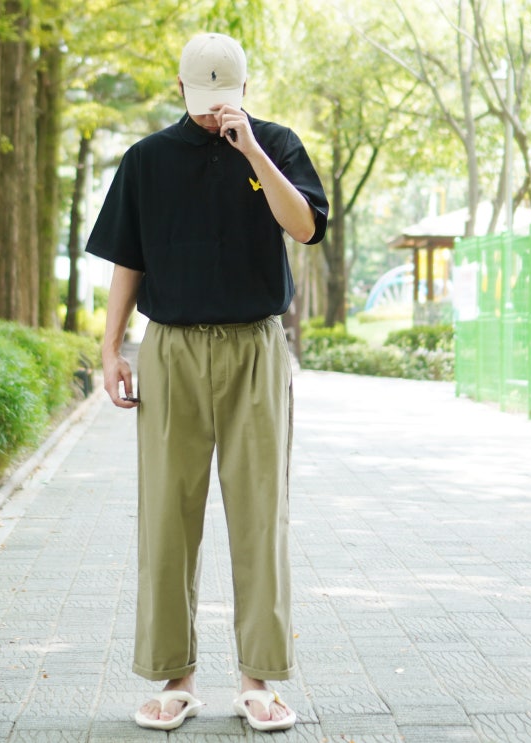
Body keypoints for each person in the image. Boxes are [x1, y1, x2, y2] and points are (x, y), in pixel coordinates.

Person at [85, 32, 328, 732]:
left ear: (245, 88)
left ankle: (258, 680)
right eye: (199, 98)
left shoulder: (277, 145)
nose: (210, 109)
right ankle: (175, 677)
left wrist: (251, 151)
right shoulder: (146, 159)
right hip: (171, 350)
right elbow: (128, 259)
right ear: (178, 89)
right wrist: (111, 348)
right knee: (167, 516)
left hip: (255, 347)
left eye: (222, 97)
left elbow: (305, 227)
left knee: (260, 516)